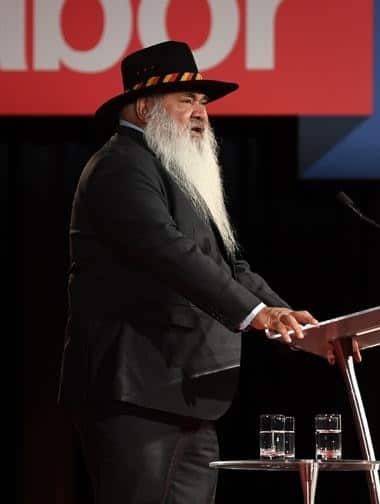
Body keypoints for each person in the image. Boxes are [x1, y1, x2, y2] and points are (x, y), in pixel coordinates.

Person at [58, 40, 356, 503]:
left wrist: (303, 331)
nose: (201, 113)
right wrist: (257, 314)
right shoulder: (121, 166)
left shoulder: (175, 172)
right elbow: (169, 252)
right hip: (136, 392)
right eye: (186, 101)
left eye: (203, 102)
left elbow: (230, 267)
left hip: (186, 393)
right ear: (144, 107)